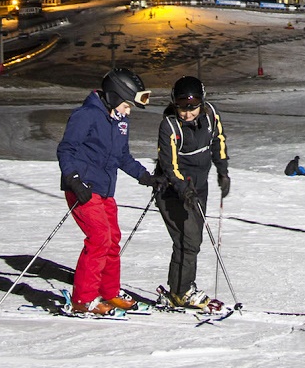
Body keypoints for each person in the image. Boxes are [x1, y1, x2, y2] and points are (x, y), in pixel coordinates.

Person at [56, 68, 157, 316]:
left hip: (105, 190)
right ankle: (83, 300)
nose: (128, 111)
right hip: (82, 189)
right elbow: (66, 149)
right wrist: (74, 180)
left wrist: (145, 176)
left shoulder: (119, 119)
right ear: (113, 96)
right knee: (99, 238)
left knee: (112, 240)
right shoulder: (86, 115)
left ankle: (110, 293)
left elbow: (122, 156)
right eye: (126, 105)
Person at [154, 76, 230, 310]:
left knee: (190, 241)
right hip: (172, 191)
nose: (187, 114)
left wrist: (222, 170)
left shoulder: (210, 115)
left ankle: (179, 289)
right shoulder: (170, 125)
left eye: (192, 108)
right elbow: (170, 165)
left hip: (198, 188)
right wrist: (183, 189)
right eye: (182, 108)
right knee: (188, 239)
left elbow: (218, 140)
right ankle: (182, 290)